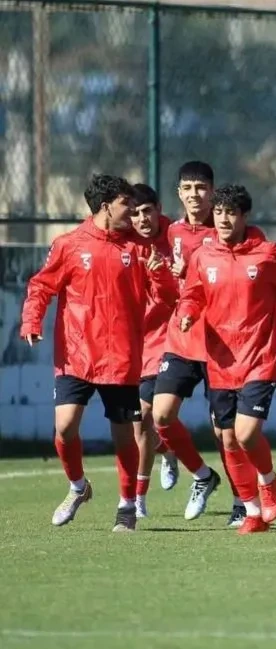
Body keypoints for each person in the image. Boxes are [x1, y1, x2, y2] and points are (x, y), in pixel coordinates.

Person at [21, 174, 177, 532]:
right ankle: (78, 487)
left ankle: (127, 506)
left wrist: (161, 276)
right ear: (106, 206)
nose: (134, 212)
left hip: (121, 358)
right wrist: (32, 320)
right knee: (65, 428)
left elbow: (168, 299)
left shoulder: (140, 248)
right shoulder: (69, 245)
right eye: (127, 204)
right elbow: (41, 286)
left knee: (124, 437)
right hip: (75, 354)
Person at [175, 185, 276, 535]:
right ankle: (252, 512)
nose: (224, 219)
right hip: (220, 361)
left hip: (259, 358)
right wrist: (187, 313)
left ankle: (268, 479)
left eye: (231, 212)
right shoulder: (203, 256)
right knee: (227, 439)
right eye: (219, 212)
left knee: (246, 432)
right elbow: (192, 294)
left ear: (244, 216)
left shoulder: (268, 254)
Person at [149, 161, 228, 523]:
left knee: (224, 431)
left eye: (201, 188)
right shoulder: (171, 233)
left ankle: (242, 501)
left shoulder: (226, 229)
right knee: (161, 415)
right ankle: (202, 475)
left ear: (212, 191)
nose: (194, 195)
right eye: (188, 188)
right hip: (181, 337)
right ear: (179, 193)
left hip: (220, 343)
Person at [128, 183, 176, 519]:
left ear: (159, 208)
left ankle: (137, 500)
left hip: (170, 340)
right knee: (139, 426)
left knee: (145, 416)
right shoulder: (126, 244)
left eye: (147, 211)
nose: (142, 219)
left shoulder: (176, 238)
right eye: (134, 213)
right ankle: (168, 450)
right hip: (134, 342)